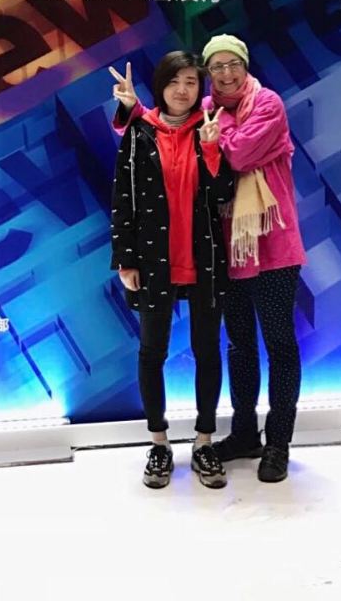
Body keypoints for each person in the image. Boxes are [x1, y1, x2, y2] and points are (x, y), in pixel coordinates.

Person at [109, 51, 233, 490]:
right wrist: (125, 259)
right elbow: (122, 198)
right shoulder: (139, 131)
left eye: (191, 82)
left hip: (204, 259)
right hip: (152, 259)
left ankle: (204, 441)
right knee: (152, 353)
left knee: (207, 351)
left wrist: (213, 148)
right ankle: (159, 443)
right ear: (160, 85)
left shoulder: (210, 128)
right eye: (174, 81)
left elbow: (224, 192)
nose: (182, 90)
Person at [201, 34, 306, 483]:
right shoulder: (205, 107)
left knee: (280, 345)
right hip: (231, 249)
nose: (226, 74)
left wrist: (219, 134)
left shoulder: (268, 104)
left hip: (276, 247)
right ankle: (244, 433)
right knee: (239, 345)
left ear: (245, 66)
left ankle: (278, 442)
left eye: (233, 64)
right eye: (217, 66)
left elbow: (240, 155)